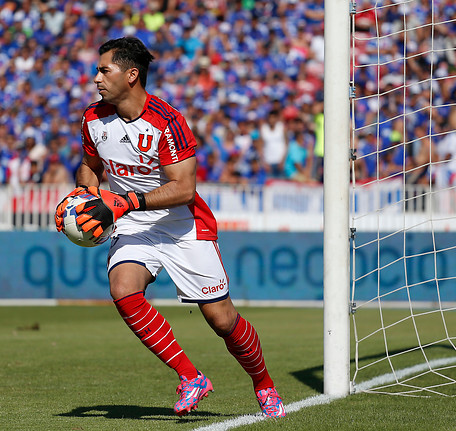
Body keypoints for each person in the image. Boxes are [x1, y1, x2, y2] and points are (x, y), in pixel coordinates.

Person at [54, 37, 286, 418]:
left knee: (222, 319)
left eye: (103, 70)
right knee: (123, 289)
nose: (95, 77)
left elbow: (184, 188)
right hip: (132, 224)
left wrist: (126, 201)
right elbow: (90, 166)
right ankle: (190, 376)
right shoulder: (93, 118)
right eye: (97, 70)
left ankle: (264, 385)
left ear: (131, 75)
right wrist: (83, 195)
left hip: (181, 225)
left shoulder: (167, 120)